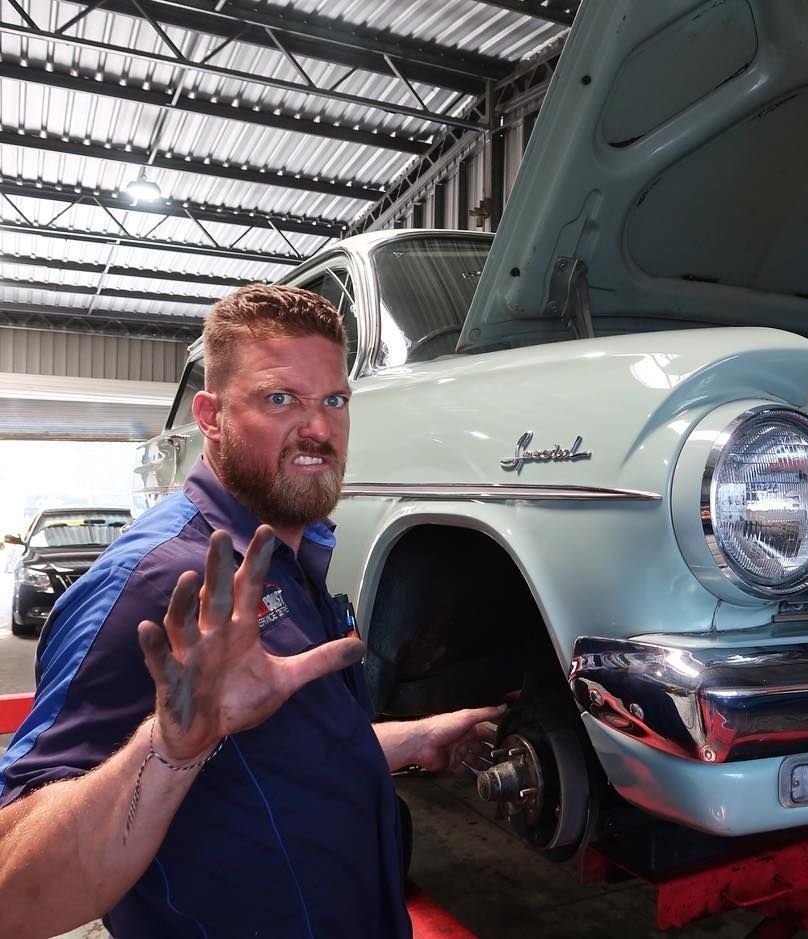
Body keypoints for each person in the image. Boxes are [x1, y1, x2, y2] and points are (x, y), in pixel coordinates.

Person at [0, 284, 502, 938]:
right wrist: (171, 748)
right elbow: (11, 881)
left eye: (334, 400)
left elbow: (273, 756)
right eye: (280, 398)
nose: (319, 428)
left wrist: (413, 738)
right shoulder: (152, 582)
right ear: (209, 416)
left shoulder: (294, 555)